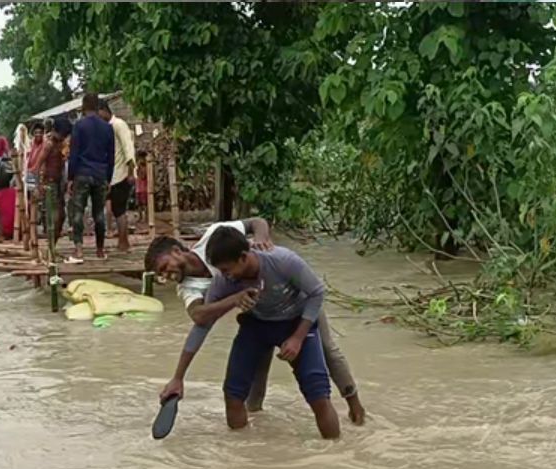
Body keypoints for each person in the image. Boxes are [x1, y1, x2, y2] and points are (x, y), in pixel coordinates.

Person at [145, 220, 366, 424]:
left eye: (164, 266)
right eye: (160, 274)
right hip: (256, 309)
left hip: (288, 298)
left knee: (327, 350)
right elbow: (201, 319)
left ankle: (354, 404)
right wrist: (178, 377)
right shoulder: (189, 287)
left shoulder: (217, 237)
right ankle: (257, 428)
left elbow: (257, 222)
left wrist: (262, 238)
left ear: (176, 251)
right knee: (255, 367)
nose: (166, 275)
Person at [66, 93, 115, 262]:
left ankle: (79, 250)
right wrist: (108, 177)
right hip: (100, 173)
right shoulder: (107, 128)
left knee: (78, 211)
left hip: (82, 173)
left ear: (83, 106)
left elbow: (74, 154)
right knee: (99, 213)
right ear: (97, 107)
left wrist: (70, 178)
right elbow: (111, 156)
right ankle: (100, 249)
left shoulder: (79, 126)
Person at [98, 100, 136, 252]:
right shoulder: (107, 128)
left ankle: (124, 241)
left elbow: (128, 148)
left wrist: (131, 171)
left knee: (119, 210)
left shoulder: (119, 124)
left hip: (122, 173)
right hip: (112, 175)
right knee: (114, 209)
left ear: (104, 110)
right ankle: (121, 240)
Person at [31, 117, 71, 244]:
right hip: (50, 182)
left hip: (59, 183)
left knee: (61, 215)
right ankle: (51, 246)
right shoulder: (48, 145)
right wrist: (38, 186)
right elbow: (36, 167)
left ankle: (53, 244)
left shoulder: (61, 144)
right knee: (54, 215)